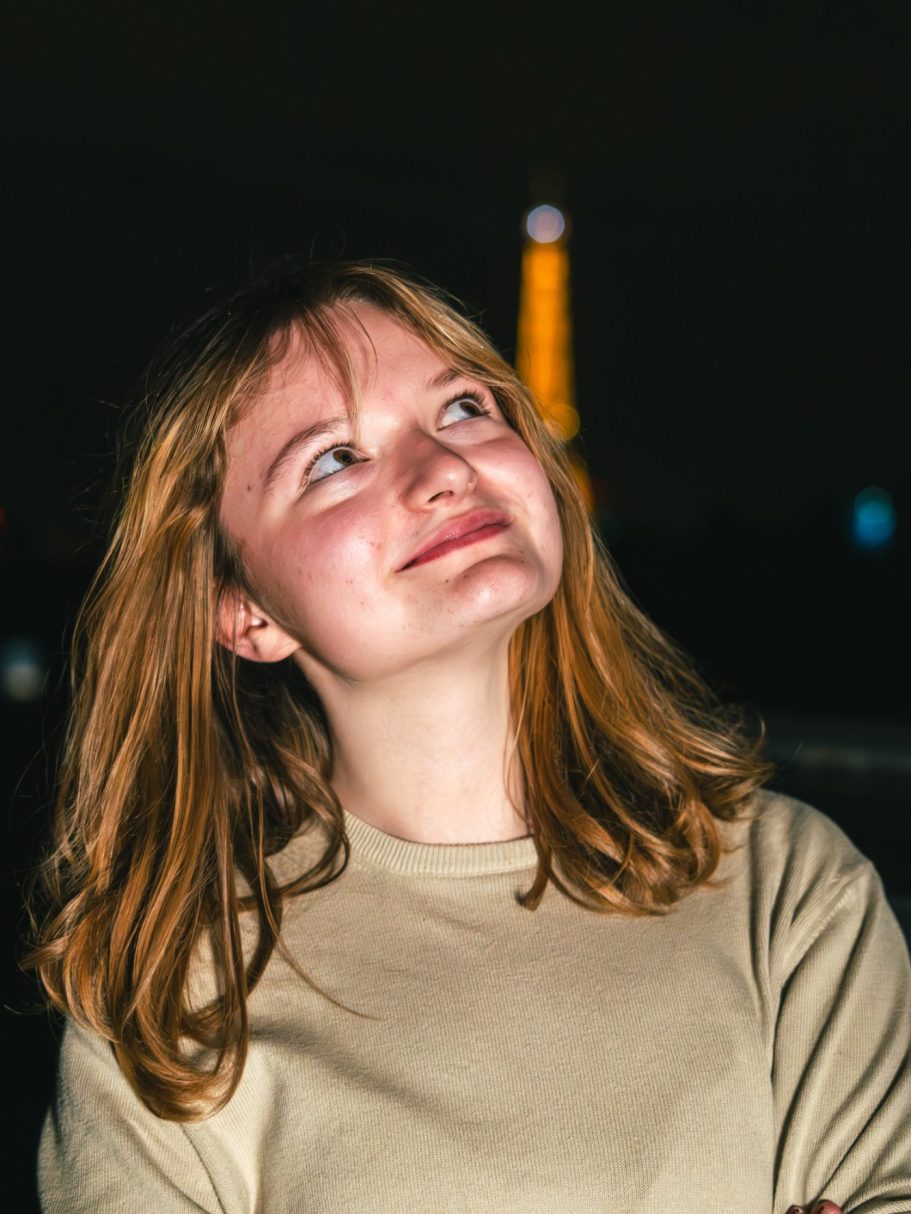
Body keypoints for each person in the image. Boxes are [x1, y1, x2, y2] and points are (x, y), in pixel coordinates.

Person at [25, 261, 908, 1213]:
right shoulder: (172, 1001)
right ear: (242, 612)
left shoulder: (785, 889)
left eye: (464, 408)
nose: (446, 469)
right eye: (334, 459)